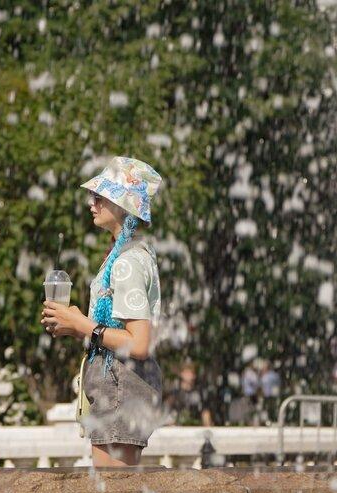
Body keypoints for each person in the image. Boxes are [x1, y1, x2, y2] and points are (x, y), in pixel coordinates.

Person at [41, 157, 164, 467]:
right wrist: (77, 323)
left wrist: (85, 326)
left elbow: (139, 344)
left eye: (99, 197)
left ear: (121, 204)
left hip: (122, 382)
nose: (90, 203)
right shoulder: (126, 254)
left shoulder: (126, 262)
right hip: (119, 382)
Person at [167, 361, 213, 426]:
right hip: (178, 429)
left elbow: (205, 412)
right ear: (181, 374)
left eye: (191, 372)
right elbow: (168, 412)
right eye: (186, 372)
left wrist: (207, 426)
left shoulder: (200, 393)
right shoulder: (175, 393)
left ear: (194, 375)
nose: (189, 375)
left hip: (196, 428)